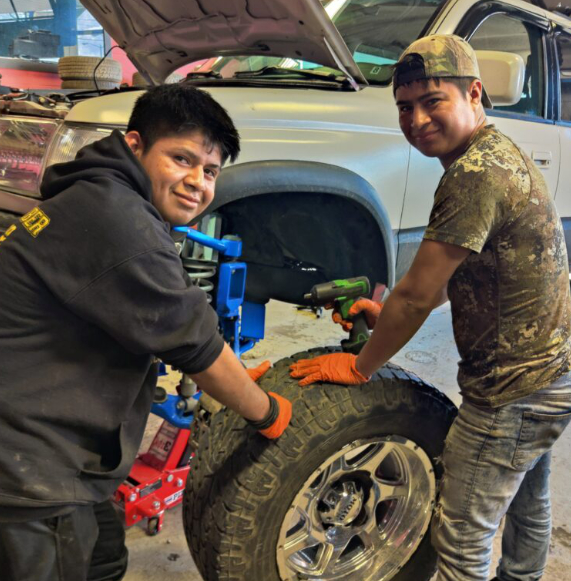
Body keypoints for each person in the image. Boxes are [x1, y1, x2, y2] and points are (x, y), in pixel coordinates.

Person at [290, 34, 571, 581]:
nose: (416, 119)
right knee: (526, 505)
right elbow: (454, 272)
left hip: (512, 392)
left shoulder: (473, 176)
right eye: (404, 106)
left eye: (432, 101)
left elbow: (419, 295)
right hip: (551, 371)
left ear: (475, 95)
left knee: (462, 538)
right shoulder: (496, 151)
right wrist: (389, 313)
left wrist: (360, 363)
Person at [0, 83, 291, 581]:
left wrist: (233, 374)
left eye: (211, 170)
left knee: (106, 559)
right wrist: (266, 412)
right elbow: (194, 342)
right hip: (28, 470)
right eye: (181, 159)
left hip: (54, 443)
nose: (197, 182)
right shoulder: (120, 223)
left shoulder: (97, 193)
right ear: (135, 145)